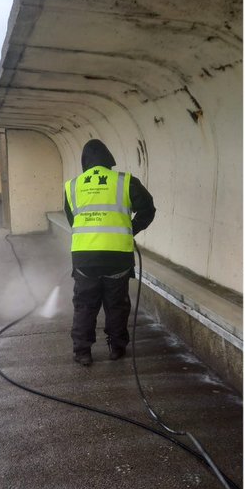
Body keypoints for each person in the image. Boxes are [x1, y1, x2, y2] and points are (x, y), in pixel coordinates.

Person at [63, 139, 155, 366]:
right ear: (108, 159)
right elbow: (148, 209)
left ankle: (82, 352)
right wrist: (130, 229)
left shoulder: (72, 185)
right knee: (116, 304)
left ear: (85, 161)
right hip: (117, 258)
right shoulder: (124, 181)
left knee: (85, 305)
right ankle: (117, 347)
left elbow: (72, 219)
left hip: (85, 258)